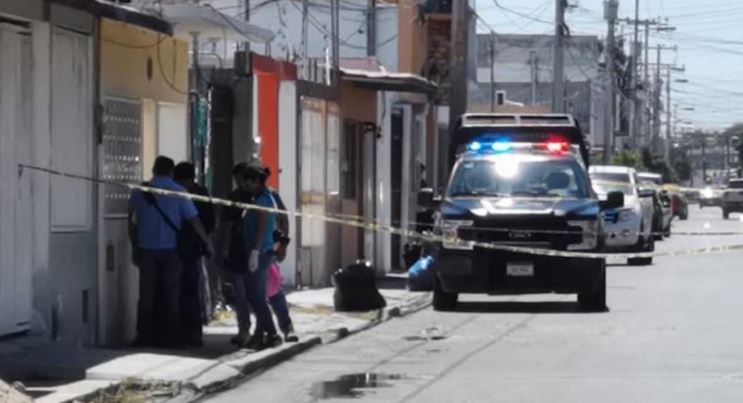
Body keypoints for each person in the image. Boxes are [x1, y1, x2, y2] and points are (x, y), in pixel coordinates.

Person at [128, 156, 213, 348]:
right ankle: (173, 337)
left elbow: (131, 221)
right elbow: (194, 220)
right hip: (171, 251)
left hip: (146, 249)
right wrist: (207, 243)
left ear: (153, 169)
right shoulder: (179, 192)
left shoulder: (139, 191)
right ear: (171, 172)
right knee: (172, 294)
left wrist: (134, 245)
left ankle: (143, 336)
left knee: (146, 295)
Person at [238, 165, 283, 350]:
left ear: (255, 181)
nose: (244, 184)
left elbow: (262, 225)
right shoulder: (259, 198)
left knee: (256, 296)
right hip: (259, 251)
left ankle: (272, 333)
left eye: (247, 181)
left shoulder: (263, 200)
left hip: (261, 252)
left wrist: (255, 250)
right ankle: (262, 334)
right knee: (255, 295)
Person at [174, 162, 215, 347]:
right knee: (190, 292)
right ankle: (191, 334)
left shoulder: (180, 194)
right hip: (190, 248)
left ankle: (188, 334)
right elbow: (210, 223)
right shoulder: (201, 193)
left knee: (186, 291)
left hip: (184, 248)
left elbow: (204, 223)